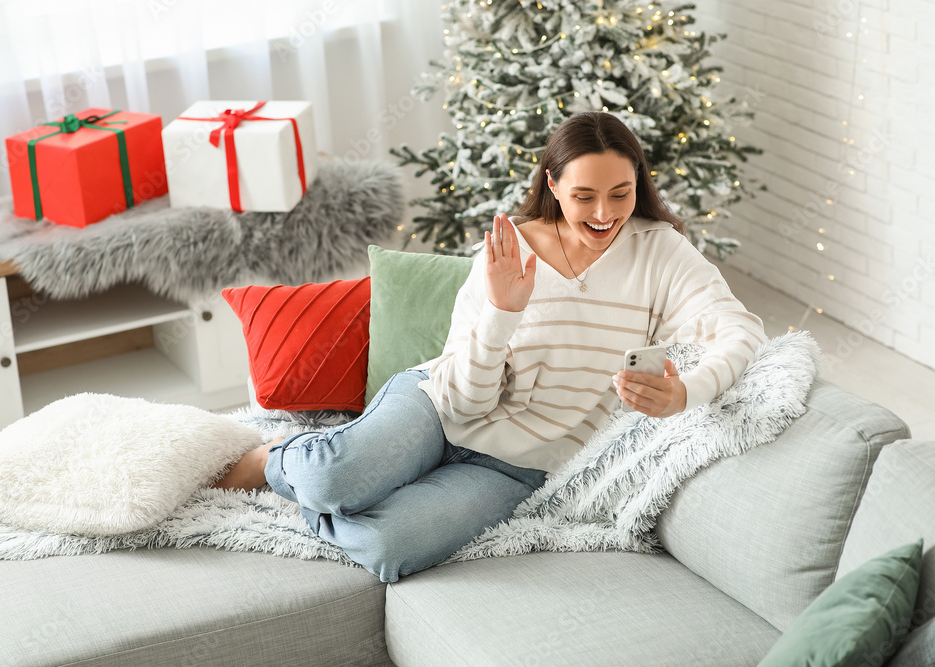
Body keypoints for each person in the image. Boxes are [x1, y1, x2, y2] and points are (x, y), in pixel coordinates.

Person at [212, 112, 767, 582]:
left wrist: (683, 394)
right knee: (331, 479)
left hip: (514, 467)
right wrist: (502, 312)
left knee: (389, 548)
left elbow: (740, 330)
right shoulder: (509, 250)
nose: (604, 213)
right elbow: (462, 401)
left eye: (620, 194)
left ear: (638, 185)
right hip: (437, 407)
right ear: (552, 185)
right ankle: (279, 457)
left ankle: (342, 471)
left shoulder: (660, 252)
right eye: (584, 196)